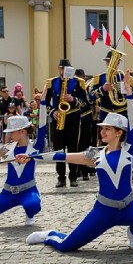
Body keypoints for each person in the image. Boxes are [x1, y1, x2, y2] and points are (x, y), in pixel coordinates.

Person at [27, 74, 133, 251]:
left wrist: (129, 95)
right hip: (103, 212)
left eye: (107, 129)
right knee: (67, 246)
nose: (102, 132)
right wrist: (32, 157)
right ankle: (49, 234)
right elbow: (63, 156)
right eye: (101, 129)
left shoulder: (129, 150)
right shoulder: (96, 154)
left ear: (119, 132)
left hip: (129, 209)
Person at [43, 59, 89, 188]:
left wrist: (73, 99)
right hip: (58, 117)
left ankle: (73, 177)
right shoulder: (52, 82)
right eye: (61, 68)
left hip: (73, 117)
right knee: (58, 149)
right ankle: (61, 177)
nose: (63, 71)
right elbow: (45, 102)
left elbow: (85, 102)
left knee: (73, 149)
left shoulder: (79, 82)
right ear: (59, 69)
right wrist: (52, 112)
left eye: (66, 68)